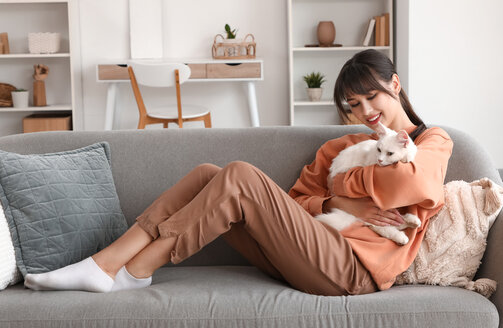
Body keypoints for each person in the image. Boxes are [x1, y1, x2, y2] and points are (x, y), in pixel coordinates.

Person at [24, 49, 453, 295]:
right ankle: (109, 265)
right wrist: (337, 200)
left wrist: (346, 184)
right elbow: (298, 202)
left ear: (394, 85)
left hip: (353, 268)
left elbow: (410, 183)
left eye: (371, 97)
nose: (365, 112)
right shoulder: (339, 147)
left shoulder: (434, 140)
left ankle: (130, 270)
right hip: (302, 252)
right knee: (209, 173)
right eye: (354, 106)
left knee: (242, 175)